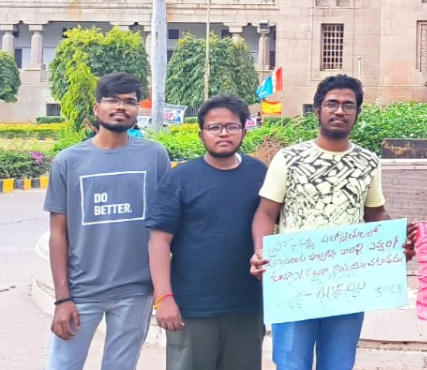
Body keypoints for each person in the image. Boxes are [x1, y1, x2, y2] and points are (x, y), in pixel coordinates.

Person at [250, 75, 389, 370]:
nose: (340, 111)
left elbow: (375, 215)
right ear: (317, 110)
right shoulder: (289, 159)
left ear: (357, 113)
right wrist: (261, 251)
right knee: (291, 364)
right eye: (332, 104)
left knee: (338, 365)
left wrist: (391, 243)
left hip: (347, 283)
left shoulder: (368, 162)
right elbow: (265, 213)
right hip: (294, 281)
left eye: (348, 106)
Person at [43, 72, 171, 370]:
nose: (121, 107)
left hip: (135, 290)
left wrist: (163, 288)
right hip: (81, 291)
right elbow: (58, 234)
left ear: (138, 109)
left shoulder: (154, 156)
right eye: (113, 100)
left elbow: (165, 226)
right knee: (62, 366)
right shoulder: (69, 161)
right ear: (96, 108)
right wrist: (62, 298)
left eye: (130, 101)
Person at [147, 95, 268, 370]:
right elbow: (159, 241)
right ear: (201, 133)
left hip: (247, 305)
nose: (223, 133)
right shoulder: (180, 178)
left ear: (243, 131)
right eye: (214, 127)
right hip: (192, 308)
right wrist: (163, 298)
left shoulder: (258, 173)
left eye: (232, 126)